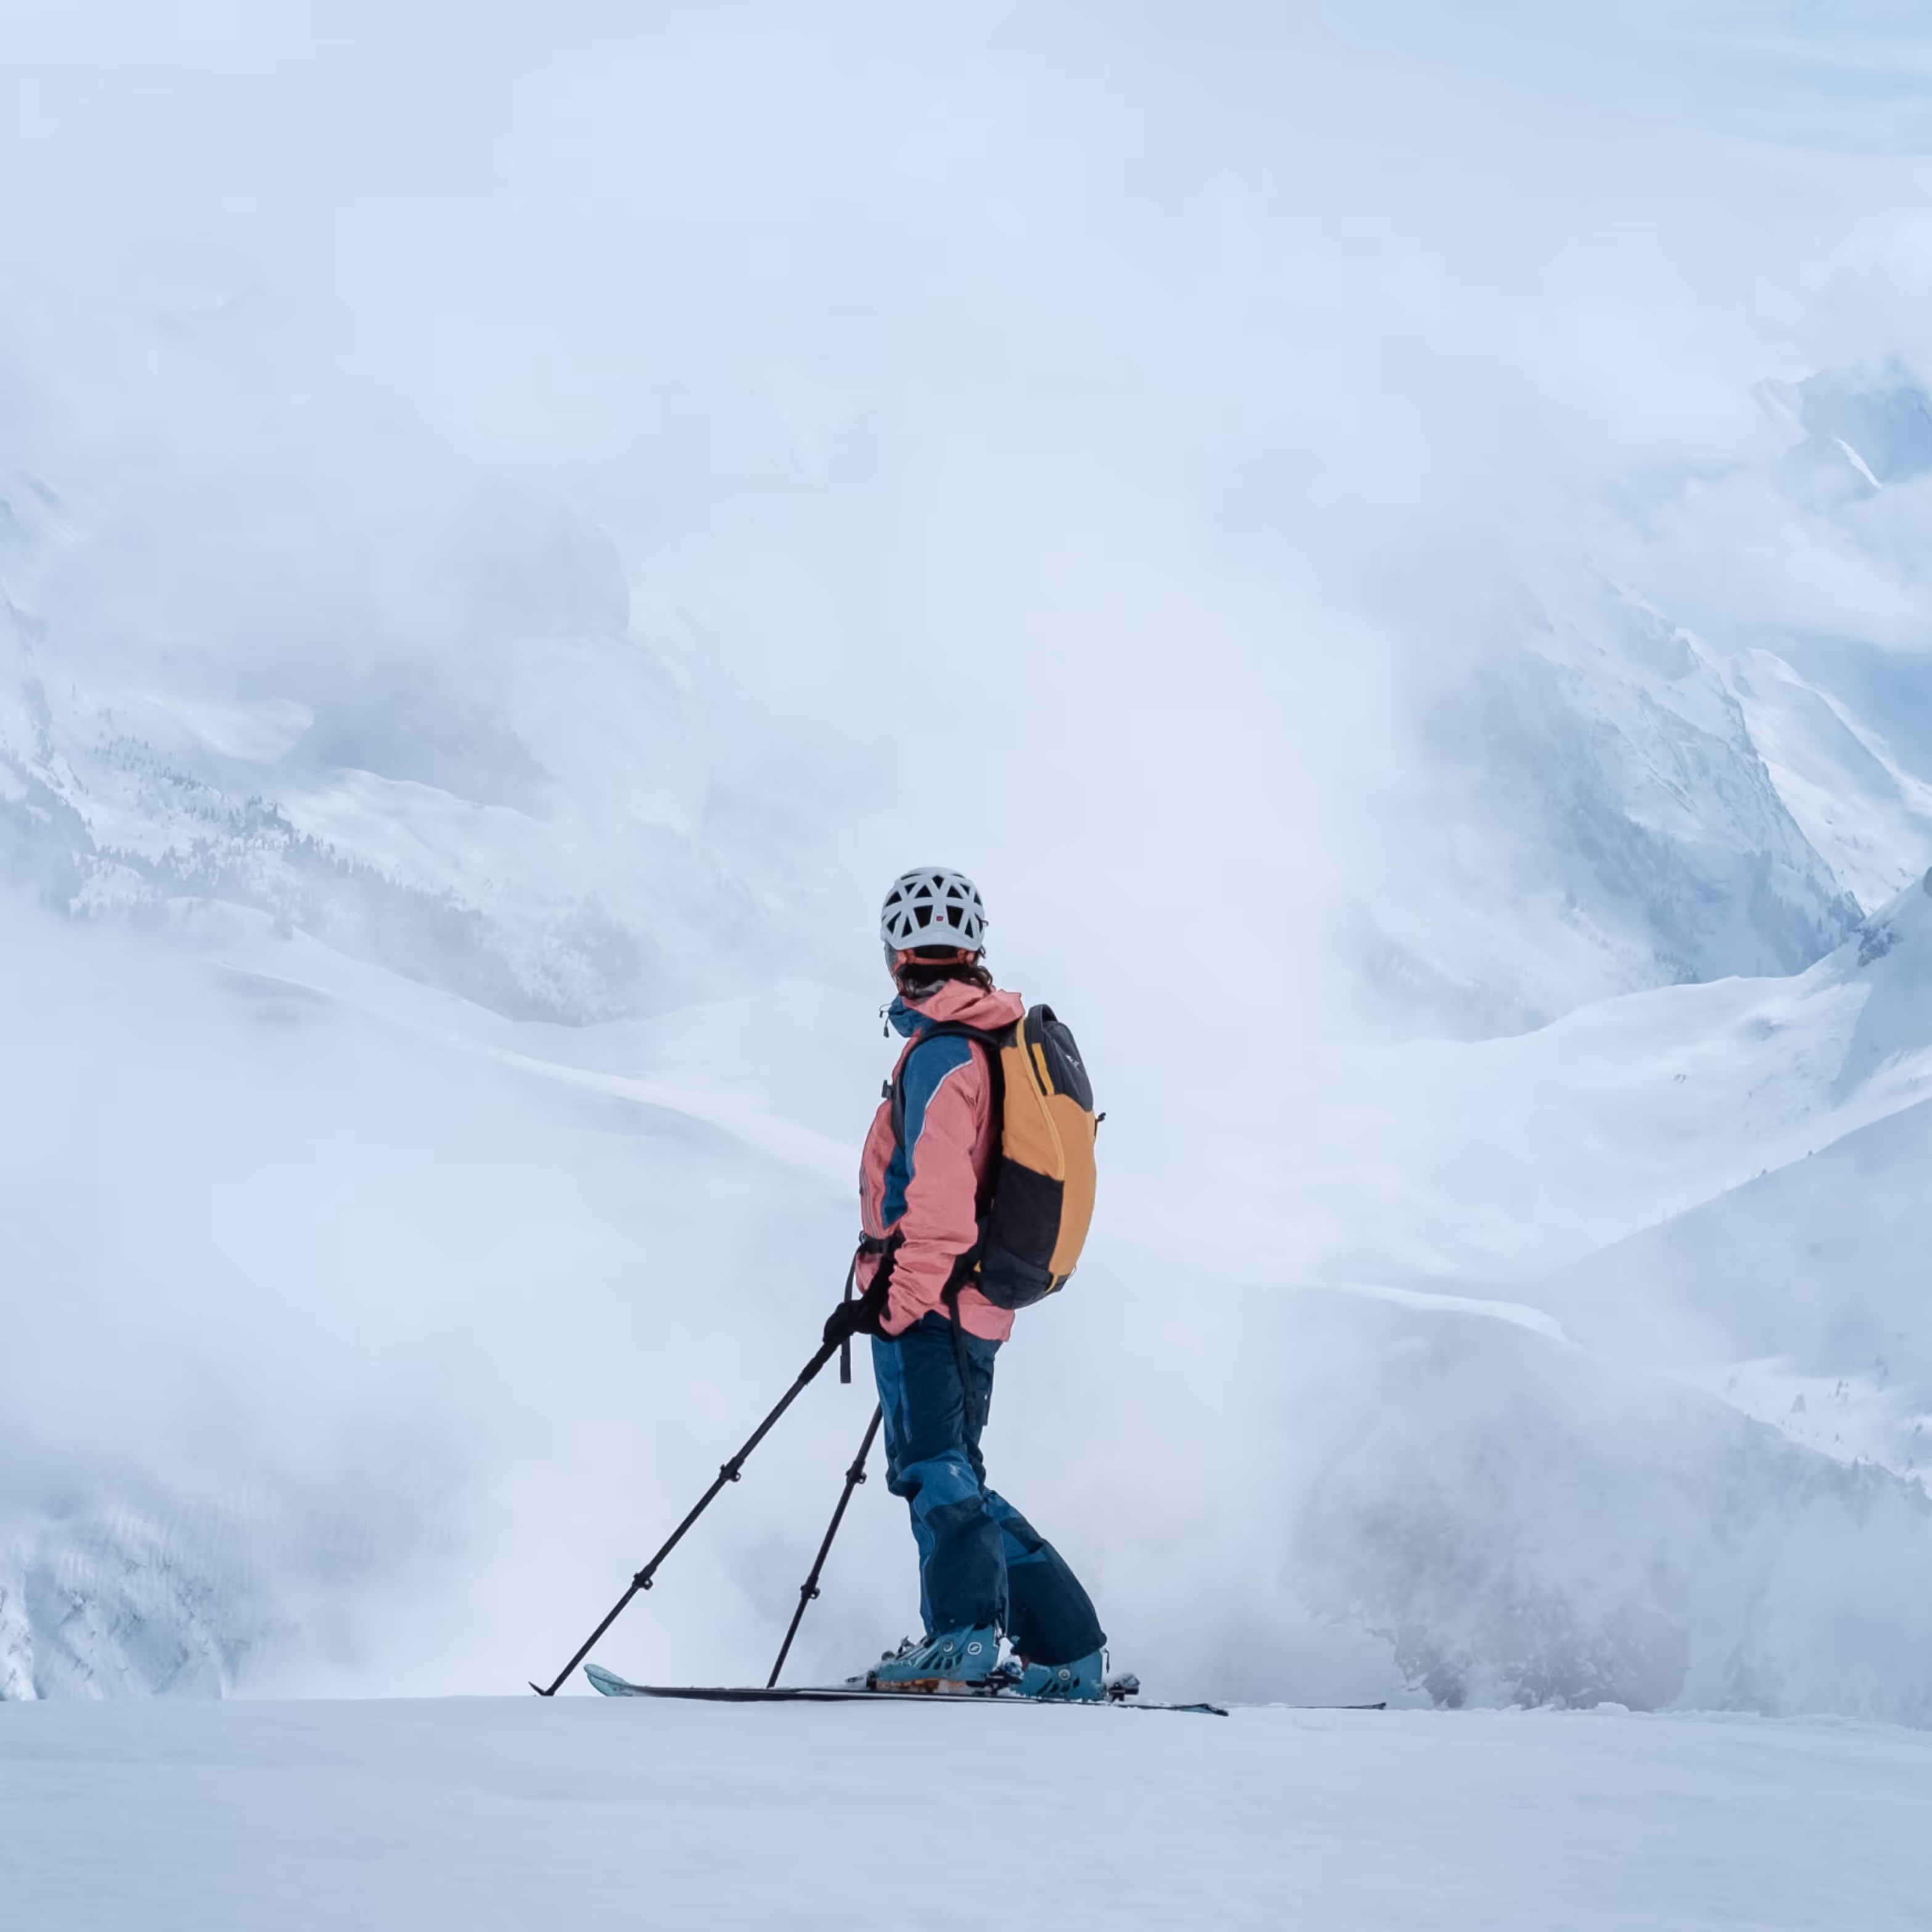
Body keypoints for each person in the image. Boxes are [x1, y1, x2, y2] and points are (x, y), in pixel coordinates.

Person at [821, 867, 1108, 1698]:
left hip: (932, 1301)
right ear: (973, 949)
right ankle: (1067, 1648)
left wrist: (892, 1304)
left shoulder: (943, 1051)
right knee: (955, 1474)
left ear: (892, 957)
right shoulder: (985, 1037)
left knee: (933, 1470)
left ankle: (962, 1634)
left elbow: (939, 1209)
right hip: (974, 1301)